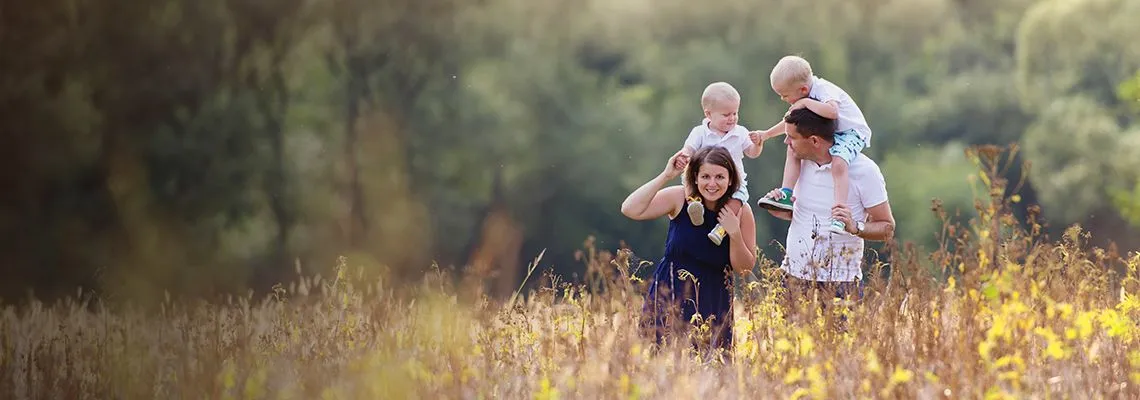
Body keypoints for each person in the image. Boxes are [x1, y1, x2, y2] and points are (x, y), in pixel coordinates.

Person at [621, 146, 758, 352]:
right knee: (657, 360)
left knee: (709, 365)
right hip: (669, 293)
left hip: (713, 300)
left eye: (720, 177)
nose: (712, 184)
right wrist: (666, 175)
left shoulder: (741, 211)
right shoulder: (680, 198)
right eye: (705, 176)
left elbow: (745, 269)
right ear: (695, 177)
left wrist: (735, 233)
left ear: (731, 180)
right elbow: (630, 209)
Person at [762, 108, 895, 304]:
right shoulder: (798, 165)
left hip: (841, 283)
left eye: (792, 137)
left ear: (814, 141)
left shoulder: (865, 171)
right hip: (792, 278)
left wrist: (854, 226)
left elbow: (887, 228)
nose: (786, 142)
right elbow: (804, 216)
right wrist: (779, 208)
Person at [755, 55, 875, 235]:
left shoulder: (823, 90)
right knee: (792, 148)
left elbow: (833, 112)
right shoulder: (805, 94)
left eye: (785, 95)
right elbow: (790, 123)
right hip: (833, 131)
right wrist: (766, 134)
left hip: (851, 133)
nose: (783, 99)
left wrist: (804, 102)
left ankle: (839, 212)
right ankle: (787, 193)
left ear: (803, 89)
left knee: (839, 161)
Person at [678, 82, 780, 245]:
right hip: (704, 178)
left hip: (734, 181)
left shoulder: (740, 132)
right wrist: (684, 156)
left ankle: (721, 229)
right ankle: (695, 205)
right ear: (709, 114)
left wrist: (758, 144)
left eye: (735, 113)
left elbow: (752, 153)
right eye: (726, 115)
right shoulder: (700, 132)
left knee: (737, 200)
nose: (732, 118)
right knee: (688, 178)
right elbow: (689, 149)